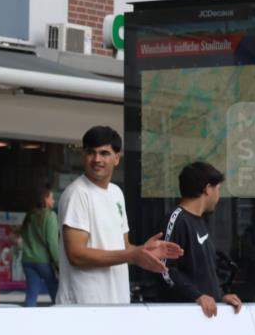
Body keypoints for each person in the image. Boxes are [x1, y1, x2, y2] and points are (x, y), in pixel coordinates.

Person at [57, 126, 183, 305]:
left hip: (116, 302)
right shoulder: (77, 194)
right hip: (84, 306)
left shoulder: (116, 192)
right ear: (83, 155)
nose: (97, 159)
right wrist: (132, 255)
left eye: (104, 153)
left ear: (116, 158)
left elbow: (124, 247)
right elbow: (76, 255)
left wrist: (143, 252)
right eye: (91, 152)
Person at [160, 162, 242, 317]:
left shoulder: (200, 221)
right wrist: (196, 296)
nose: (219, 196)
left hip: (206, 317)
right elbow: (164, 269)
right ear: (207, 188)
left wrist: (221, 296)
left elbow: (203, 274)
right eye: (218, 189)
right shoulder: (177, 220)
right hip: (186, 317)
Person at [20, 183, 60, 306]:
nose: (53, 201)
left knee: (31, 295)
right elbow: (52, 242)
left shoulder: (29, 216)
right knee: (55, 294)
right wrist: (58, 264)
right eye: (51, 198)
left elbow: (24, 236)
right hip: (43, 262)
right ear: (45, 199)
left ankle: (27, 317)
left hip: (27, 260)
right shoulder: (50, 216)